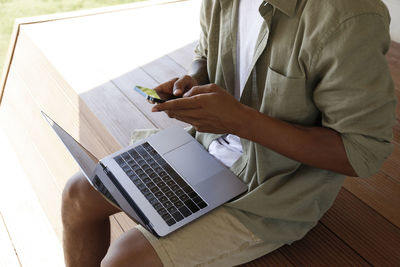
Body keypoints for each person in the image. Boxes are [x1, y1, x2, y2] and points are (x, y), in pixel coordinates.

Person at [61, 0, 396, 266]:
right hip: (204, 147)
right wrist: (192, 82)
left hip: (277, 187)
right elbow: (204, 54)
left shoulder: (349, 16)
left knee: (125, 260)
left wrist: (239, 121)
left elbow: (361, 153)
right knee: (77, 193)